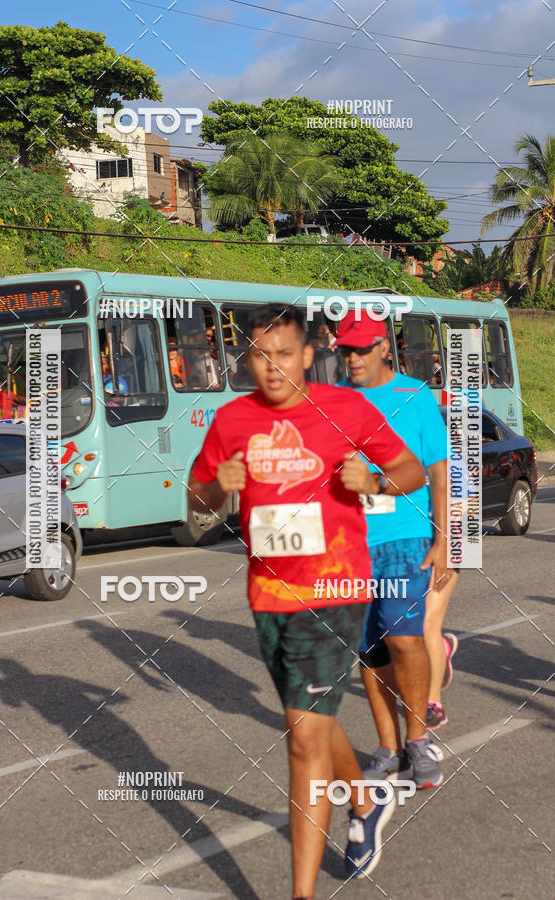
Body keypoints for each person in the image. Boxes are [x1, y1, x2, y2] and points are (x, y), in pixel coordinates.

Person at [188, 305, 426, 896]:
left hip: (339, 585)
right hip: (270, 594)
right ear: (248, 359)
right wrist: (222, 487)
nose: (273, 369)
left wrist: (371, 483)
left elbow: (411, 471)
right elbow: (195, 505)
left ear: (309, 355)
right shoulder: (232, 420)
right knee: (309, 722)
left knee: (301, 740)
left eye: (286, 355)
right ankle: (366, 800)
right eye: (261, 356)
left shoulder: (346, 408)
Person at [335, 311, 453, 789]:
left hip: (406, 536)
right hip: (351, 543)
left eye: (362, 348)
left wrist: (445, 538)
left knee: (404, 637)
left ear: (385, 347)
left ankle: (418, 738)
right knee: (369, 649)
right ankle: (389, 749)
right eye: (346, 349)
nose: (353, 358)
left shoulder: (415, 397)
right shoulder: (334, 400)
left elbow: (439, 471)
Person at [424, 576, 459, 729]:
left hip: (445, 554)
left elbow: (471, 553)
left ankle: (433, 704)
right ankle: (442, 649)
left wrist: (451, 556)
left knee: (427, 623)